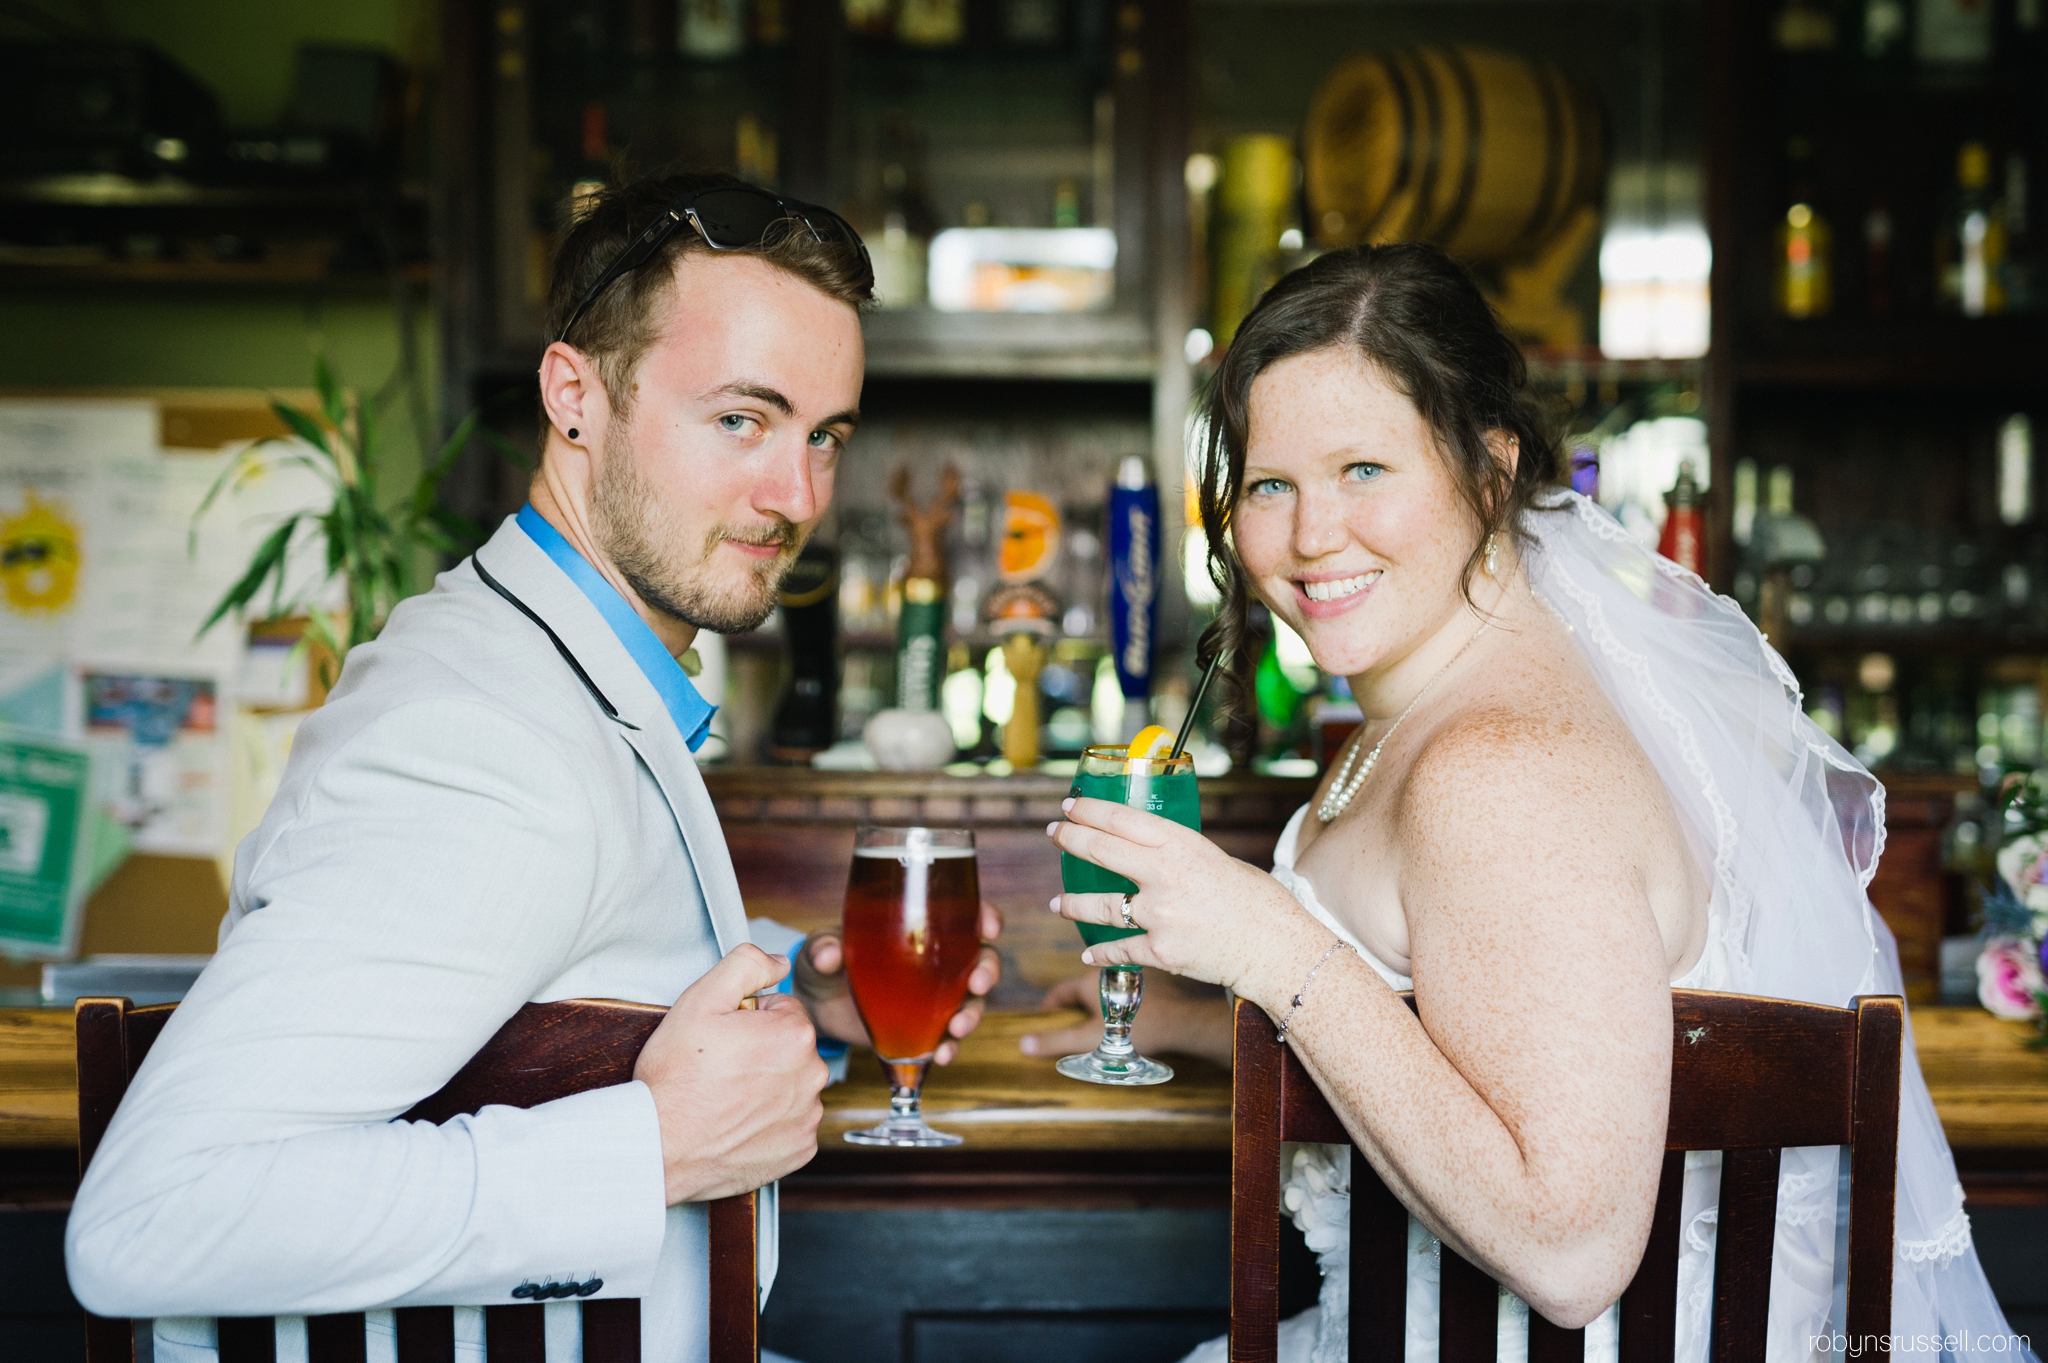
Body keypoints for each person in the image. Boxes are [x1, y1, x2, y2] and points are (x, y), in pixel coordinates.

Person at [1027, 244, 2033, 1363]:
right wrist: (1194, 1019)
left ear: (1490, 473)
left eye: (1364, 468)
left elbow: (1570, 1253)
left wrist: (1270, 945)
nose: (1311, 536)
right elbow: (1465, 1028)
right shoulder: (1424, 714)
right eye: (1270, 484)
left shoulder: (1502, 771)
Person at [66, 172, 1002, 1362]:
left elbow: (533, 980)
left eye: (823, 435)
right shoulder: (478, 741)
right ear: (574, 396)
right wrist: (654, 1148)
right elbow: (154, 1220)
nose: (797, 494)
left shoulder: (557, 671)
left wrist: (803, 1002)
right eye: (739, 420)